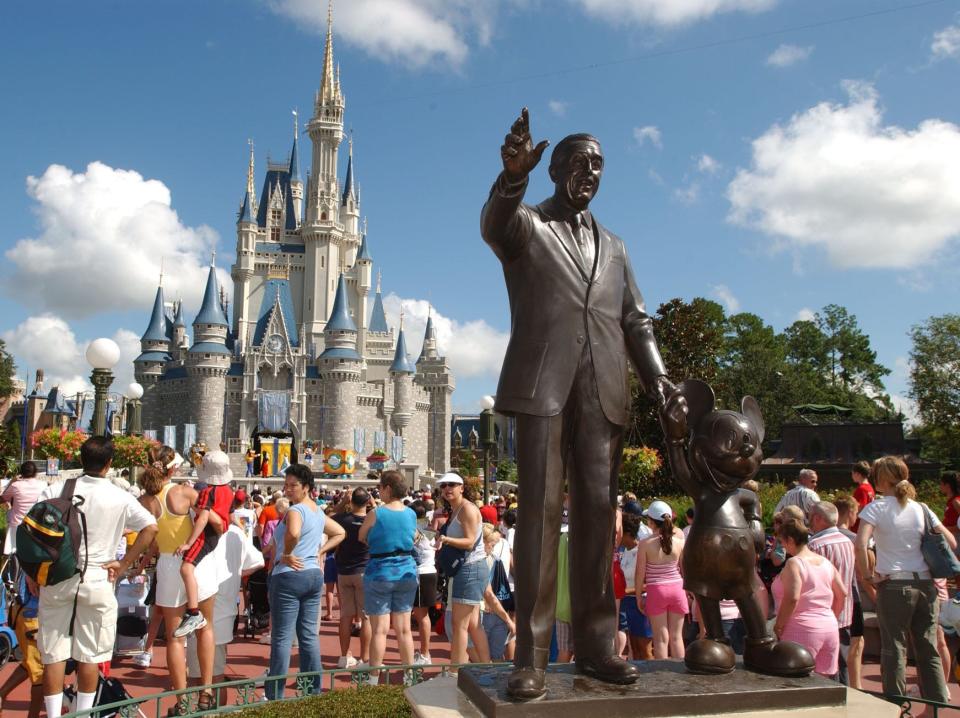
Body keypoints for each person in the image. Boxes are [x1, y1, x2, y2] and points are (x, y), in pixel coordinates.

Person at [482, 109, 681, 699]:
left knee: (600, 516)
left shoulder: (615, 246)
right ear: (557, 168)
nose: (590, 173)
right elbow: (494, 225)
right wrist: (512, 177)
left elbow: (635, 320)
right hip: (543, 385)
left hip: (605, 390)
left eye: (599, 165)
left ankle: (597, 649)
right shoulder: (527, 226)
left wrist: (661, 382)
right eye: (580, 163)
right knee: (540, 516)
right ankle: (533, 658)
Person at [36, 437, 158, 718]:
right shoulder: (119, 496)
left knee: (54, 654)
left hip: (58, 576)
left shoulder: (57, 488)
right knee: (90, 655)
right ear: (109, 463)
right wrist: (125, 563)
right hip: (99, 575)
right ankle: (82, 714)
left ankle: (55, 715)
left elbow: (35, 530)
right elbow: (150, 528)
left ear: (81, 459)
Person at [856, 456, 954, 704]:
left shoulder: (876, 508)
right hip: (925, 584)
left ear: (882, 478)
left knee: (894, 648)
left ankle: (896, 704)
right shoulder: (922, 508)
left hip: (894, 584)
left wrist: (869, 575)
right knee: (928, 647)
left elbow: (860, 544)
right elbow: (951, 543)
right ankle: (936, 702)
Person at [137, 445, 220, 714]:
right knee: (204, 628)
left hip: (168, 565)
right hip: (194, 562)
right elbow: (215, 519)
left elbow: (148, 535)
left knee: (174, 638)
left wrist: (136, 562)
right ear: (172, 469)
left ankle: (182, 702)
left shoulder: (145, 500)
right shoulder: (182, 492)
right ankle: (206, 693)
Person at [266, 464, 345, 700]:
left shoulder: (295, 511)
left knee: (282, 637)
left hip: (289, 576)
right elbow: (340, 532)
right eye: (286, 485)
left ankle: (275, 695)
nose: (288, 489)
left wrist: (288, 553)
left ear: (307, 487)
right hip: (312, 576)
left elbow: (293, 534)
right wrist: (321, 552)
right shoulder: (318, 512)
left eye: (293, 485)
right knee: (309, 636)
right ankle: (313, 690)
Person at [186, 518, 264, 707]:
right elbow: (259, 561)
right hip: (224, 611)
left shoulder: (200, 531)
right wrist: (236, 574)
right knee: (215, 675)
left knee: (201, 679)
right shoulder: (235, 532)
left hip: (206, 611)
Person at [359, 470, 418, 683]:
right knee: (404, 629)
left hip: (380, 572)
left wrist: (376, 542)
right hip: (406, 572)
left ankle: (374, 678)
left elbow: (361, 536)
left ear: (387, 489)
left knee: (380, 631)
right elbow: (413, 536)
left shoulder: (377, 513)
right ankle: (409, 675)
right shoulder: (411, 513)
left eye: (380, 488)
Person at [772, 519, 846, 677]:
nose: (782, 546)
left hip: (801, 628)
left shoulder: (794, 563)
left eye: (782, 542)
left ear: (790, 540)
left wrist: (779, 625)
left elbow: (792, 597)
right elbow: (842, 593)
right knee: (824, 683)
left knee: (796, 683)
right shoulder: (825, 562)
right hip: (829, 627)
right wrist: (833, 616)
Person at [174, 450, 233, 638]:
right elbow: (228, 517)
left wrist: (188, 542)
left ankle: (193, 612)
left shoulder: (208, 492)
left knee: (186, 569)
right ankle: (193, 611)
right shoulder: (228, 491)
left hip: (206, 535)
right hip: (215, 535)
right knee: (187, 568)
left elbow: (203, 518)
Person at [436, 473, 491, 668]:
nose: (447, 489)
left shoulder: (466, 509)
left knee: (459, 625)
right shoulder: (458, 508)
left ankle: (455, 671)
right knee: (474, 625)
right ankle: (487, 667)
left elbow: (468, 542)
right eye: (443, 486)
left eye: (452, 485)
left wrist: (446, 540)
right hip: (470, 569)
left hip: (469, 569)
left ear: (462, 487)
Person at [807, 502, 855, 684]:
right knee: (841, 664)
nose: (809, 521)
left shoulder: (815, 546)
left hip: (822, 616)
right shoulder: (848, 542)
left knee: (822, 669)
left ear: (818, 518)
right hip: (844, 613)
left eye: (811, 517)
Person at [636, 500, 686, 660]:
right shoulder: (679, 543)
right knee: (677, 637)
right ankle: (681, 671)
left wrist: (638, 596)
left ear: (651, 522)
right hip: (677, 589)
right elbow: (684, 571)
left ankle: (662, 677)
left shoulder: (645, 544)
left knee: (660, 639)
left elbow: (639, 574)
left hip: (656, 590)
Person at [332, 487, 372, 668]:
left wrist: (342, 502)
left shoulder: (341, 519)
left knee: (345, 616)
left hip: (344, 571)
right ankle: (364, 657)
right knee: (366, 617)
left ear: (351, 501)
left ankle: (343, 656)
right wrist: (374, 503)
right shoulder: (372, 521)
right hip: (364, 571)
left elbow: (329, 516)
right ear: (367, 502)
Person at [0, 572, 43, 717]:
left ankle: (1, 694)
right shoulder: (46, 553)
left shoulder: (31, 550)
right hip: (33, 616)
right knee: (40, 675)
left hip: (24, 611)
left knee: (29, 663)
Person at [618, 513, 653, 660]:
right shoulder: (624, 551)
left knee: (645, 650)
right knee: (635, 649)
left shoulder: (642, 551)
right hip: (627, 604)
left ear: (627, 533)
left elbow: (648, 584)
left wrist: (626, 591)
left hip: (640, 604)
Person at [481, 524, 517, 661]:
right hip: (495, 608)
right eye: (492, 544)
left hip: (491, 609)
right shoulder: (493, 558)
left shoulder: (490, 559)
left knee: (486, 655)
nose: (493, 547)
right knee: (493, 654)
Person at [0, 461, 46, 558]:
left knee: (13, 555)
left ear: (21, 473)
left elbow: (2, 499)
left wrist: (12, 481)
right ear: (36, 473)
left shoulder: (15, 485)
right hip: (36, 525)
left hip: (17, 526)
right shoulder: (44, 485)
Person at [411, 501, 437, 665]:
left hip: (421, 573)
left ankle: (425, 654)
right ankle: (423, 652)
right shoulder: (430, 528)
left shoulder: (415, 529)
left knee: (422, 616)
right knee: (421, 615)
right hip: (429, 571)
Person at [851, 461, 874, 532]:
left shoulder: (861, 489)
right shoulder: (870, 487)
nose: (852, 476)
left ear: (858, 474)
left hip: (858, 527)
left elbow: (860, 508)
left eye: (852, 473)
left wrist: (850, 522)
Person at [938, 471, 960, 539]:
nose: (940, 486)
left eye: (941, 484)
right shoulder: (951, 500)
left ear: (947, 485)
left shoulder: (956, 501)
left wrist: (942, 529)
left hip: (956, 539)